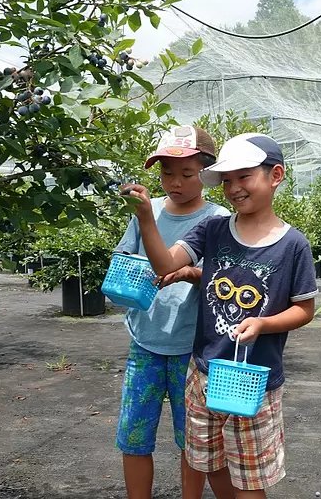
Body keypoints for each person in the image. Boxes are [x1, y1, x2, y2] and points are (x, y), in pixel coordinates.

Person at [124, 133, 318, 499]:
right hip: (204, 372)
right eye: (227, 180)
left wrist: (264, 323)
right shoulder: (213, 230)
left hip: (253, 379)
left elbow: (304, 309)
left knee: (250, 476)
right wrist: (147, 219)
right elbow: (165, 264)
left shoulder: (293, 245)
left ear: (275, 175)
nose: (233, 188)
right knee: (211, 465)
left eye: (244, 177)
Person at [114, 125, 231, 499]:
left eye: (186, 173)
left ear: (207, 173)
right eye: (167, 173)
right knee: (134, 434)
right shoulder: (149, 211)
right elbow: (125, 255)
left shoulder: (217, 218)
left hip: (191, 348)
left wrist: (193, 274)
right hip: (144, 341)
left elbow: (225, 281)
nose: (175, 183)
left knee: (192, 438)